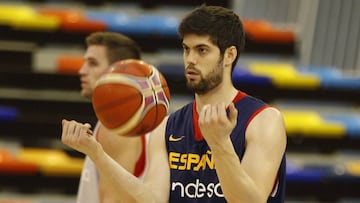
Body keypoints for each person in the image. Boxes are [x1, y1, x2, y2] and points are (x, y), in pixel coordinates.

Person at [62, 5, 287, 203]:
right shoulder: (167, 126)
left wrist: (220, 145)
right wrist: (97, 154)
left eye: (202, 50)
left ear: (229, 55)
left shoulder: (263, 120)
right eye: (186, 49)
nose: (190, 59)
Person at [65, 31, 148, 203]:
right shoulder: (125, 117)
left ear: (118, 71)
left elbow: (114, 200)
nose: (82, 71)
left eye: (92, 63)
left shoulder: (118, 126)